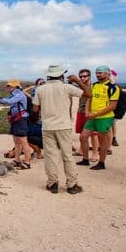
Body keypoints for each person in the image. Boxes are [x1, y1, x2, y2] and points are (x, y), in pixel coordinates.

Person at [32, 65, 90, 194]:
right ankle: (72, 184)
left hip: (47, 126)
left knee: (50, 156)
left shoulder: (40, 89)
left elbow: (35, 109)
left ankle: (52, 183)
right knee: (67, 155)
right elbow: (88, 94)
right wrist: (78, 81)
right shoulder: (66, 87)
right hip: (64, 125)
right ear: (61, 75)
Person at [77, 65, 118, 170]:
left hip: (104, 117)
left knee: (102, 140)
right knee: (83, 137)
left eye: (101, 72)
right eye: (97, 72)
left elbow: (112, 106)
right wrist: (87, 111)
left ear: (108, 73)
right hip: (92, 116)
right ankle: (85, 159)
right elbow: (89, 99)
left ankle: (101, 162)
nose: (98, 74)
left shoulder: (113, 87)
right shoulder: (94, 85)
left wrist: (95, 114)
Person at [0, 80, 32, 169]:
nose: (8, 87)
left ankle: (27, 163)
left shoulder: (19, 94)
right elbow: (7, 100)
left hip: (21, 119)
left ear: (16, 87)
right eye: (8, 86)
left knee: (23, 141)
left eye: (10, 86)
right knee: (16, 141)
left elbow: (9, 102)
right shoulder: (14, 95)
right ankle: (17, 160)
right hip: (16, 119)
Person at [74, 68, 100, 161]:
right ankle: (82, 150)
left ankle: (95, 153)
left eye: (84, 76)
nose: (82, 78)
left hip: (90, 112)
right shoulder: (81, 86)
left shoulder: (93, 86)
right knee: (82, 132)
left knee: (93, 134)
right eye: (80, 77)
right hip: (80, 111)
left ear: (89, 76)